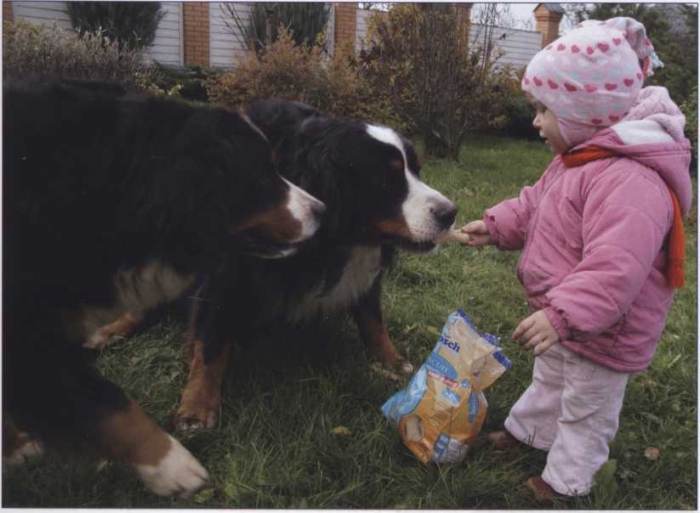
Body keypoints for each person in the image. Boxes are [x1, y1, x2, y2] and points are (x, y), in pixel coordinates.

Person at [460, 17, 692, 500]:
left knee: (586, 406)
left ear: (587, 112)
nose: (536, 122)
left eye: (545, 110)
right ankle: (530, 435)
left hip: (607, 326)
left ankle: (565, 481)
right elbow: (537, 201)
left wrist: (563, 313)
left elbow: (617, 268)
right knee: (552, 378)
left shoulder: (630, 180)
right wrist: (501, 224)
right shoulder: (581, 157)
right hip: (568, 316)